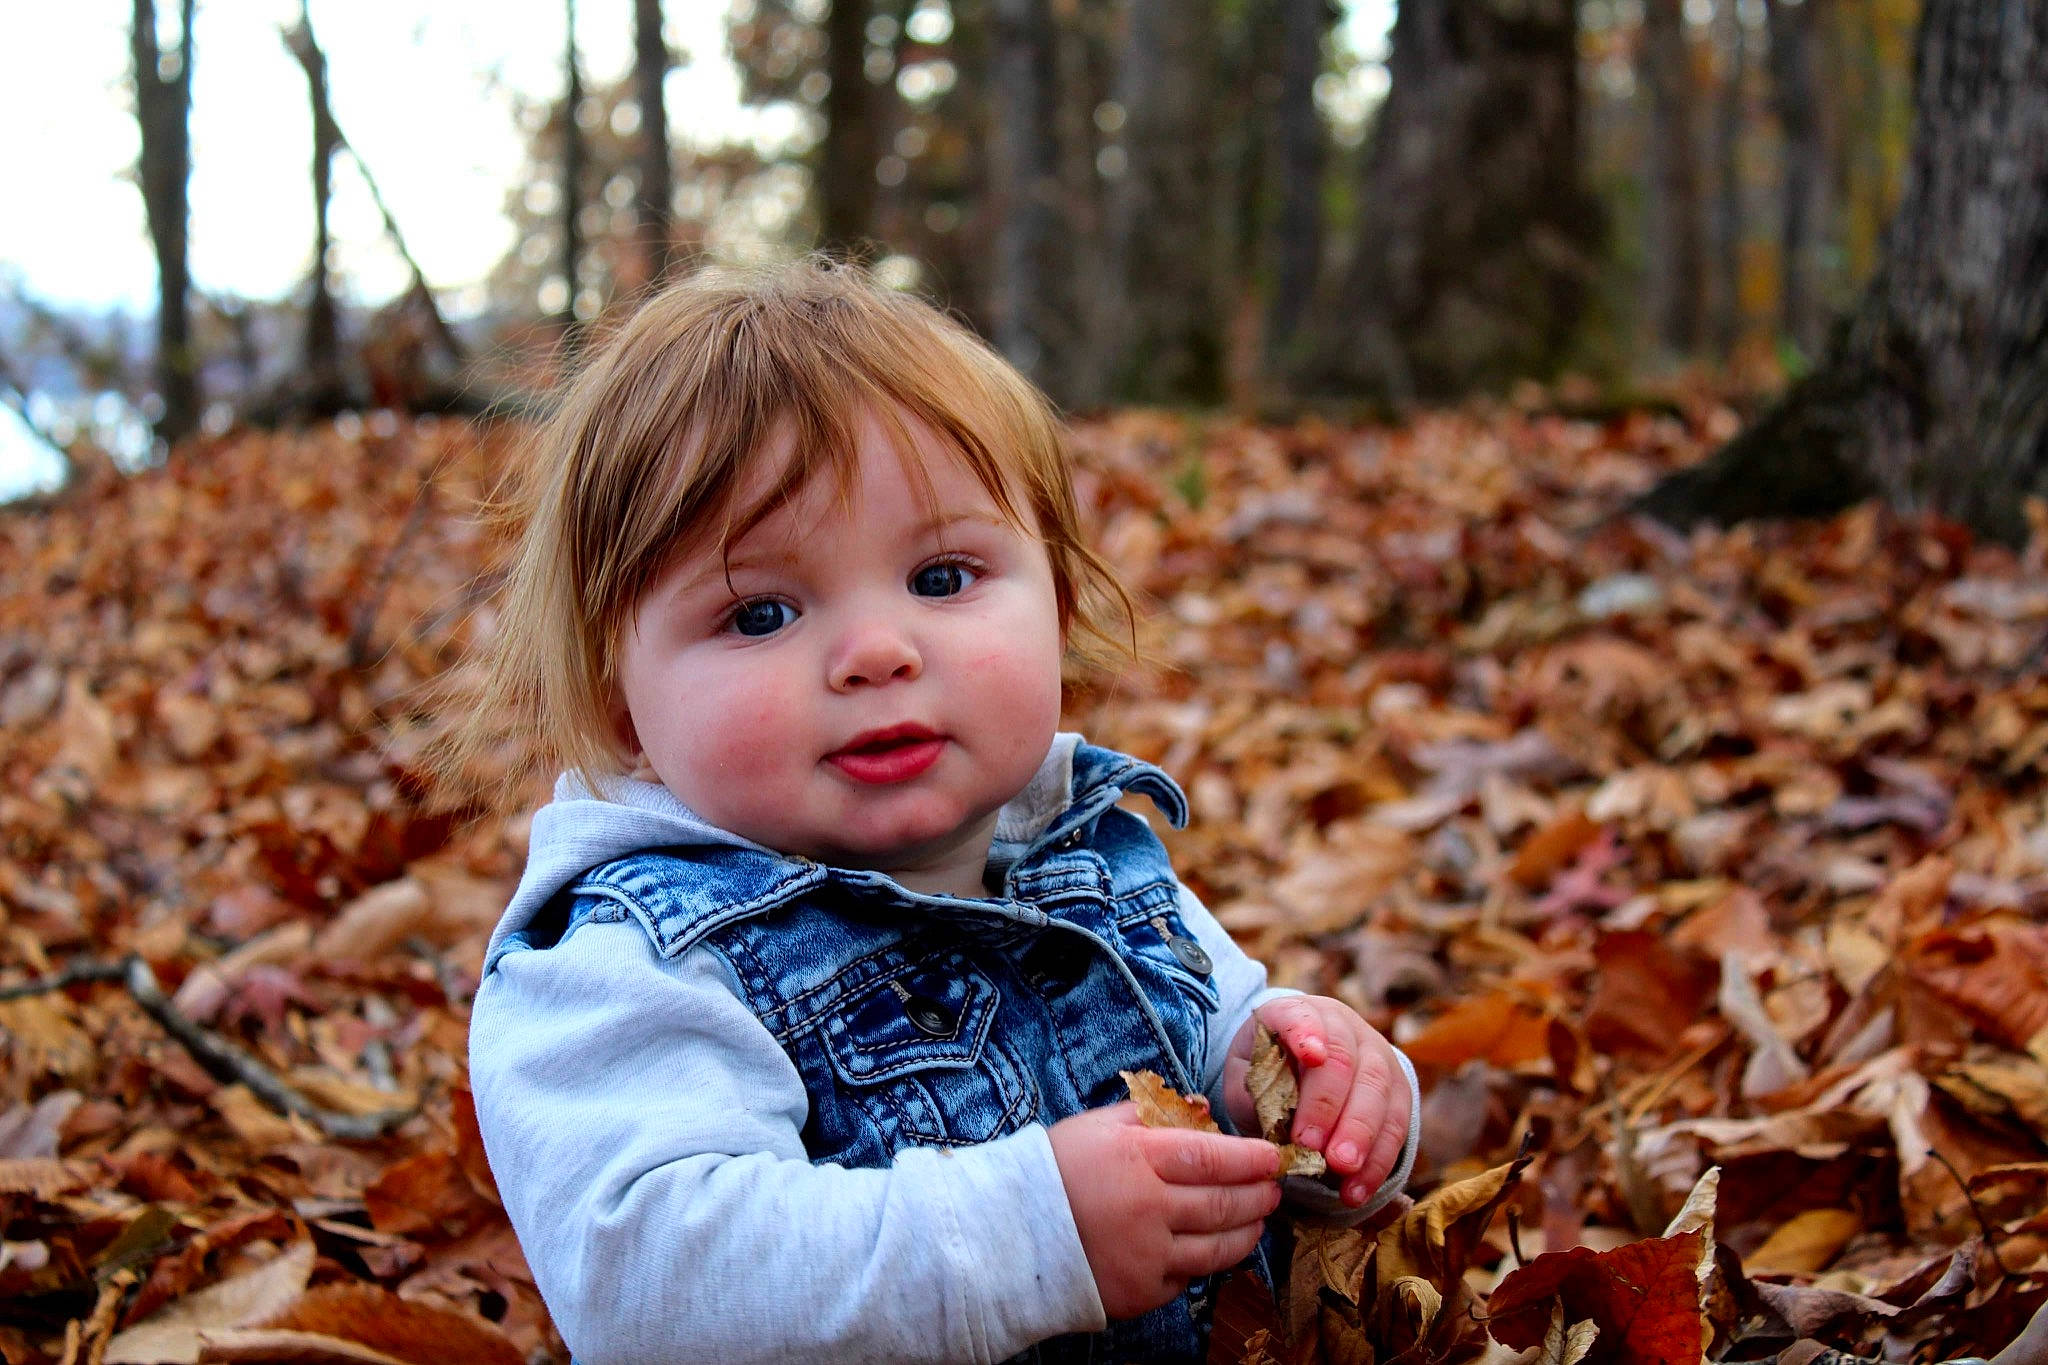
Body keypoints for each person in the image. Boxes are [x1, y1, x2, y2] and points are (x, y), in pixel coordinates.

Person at [443, 260, 1420, 1364]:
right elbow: (649, 1286)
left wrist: (1315, 1092)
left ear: (1054, 603)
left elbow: (1230, 1064)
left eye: (943, 579)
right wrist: (1027, 1238)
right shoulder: (630, 965)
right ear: (620, 700)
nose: (876, 651)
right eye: (761, 611)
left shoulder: (1088, 853)